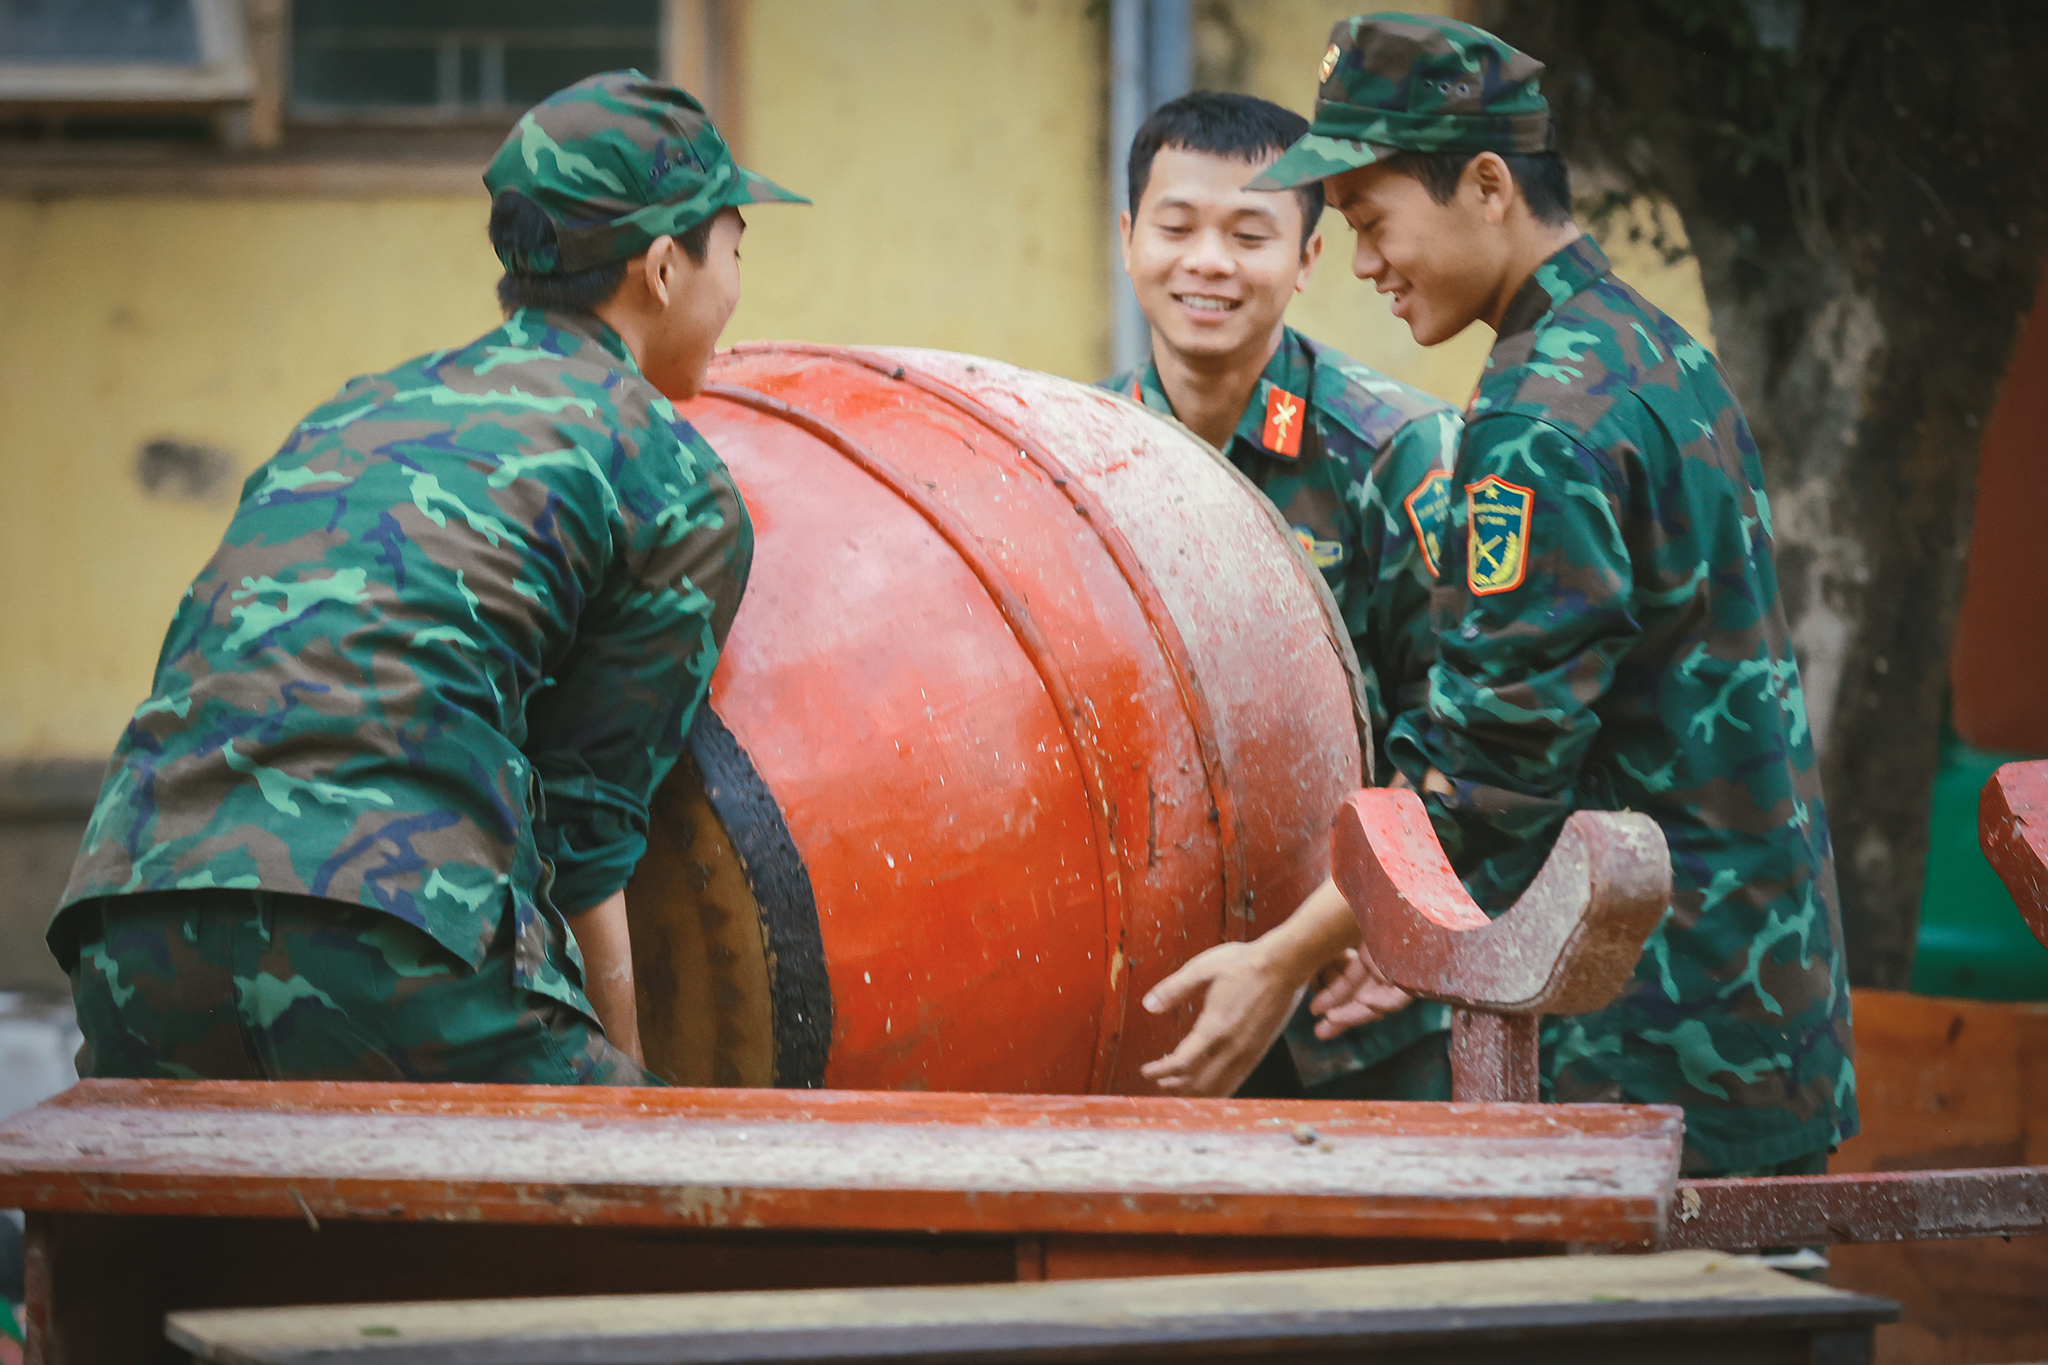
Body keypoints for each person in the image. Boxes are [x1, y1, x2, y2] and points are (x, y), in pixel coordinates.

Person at [48, 71, 808, 1086]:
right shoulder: (667, 473)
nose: (734, 291)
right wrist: (629, 1090)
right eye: (734, 254)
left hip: (130, 922)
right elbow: (587, 829)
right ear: (663, 268)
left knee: (204, 1247)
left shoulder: (354, 413)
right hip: (390, 932)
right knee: (639, 1225)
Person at [1231, 12, 1857, 1176]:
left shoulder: (1537, 418)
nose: (1362, 262)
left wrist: (1294, 950)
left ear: (1482, 185)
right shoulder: (1654, 351)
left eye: (1370, 220)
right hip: (1754, 1008)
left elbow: (1489, 774)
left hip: (1639, 1045)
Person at [1101, 91, 1462, 1101]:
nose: (1207, 261)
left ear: (1306, 260)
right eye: (1176, 227)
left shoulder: (1394, 456)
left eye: (1247, 233)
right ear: (1128, 240)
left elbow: (1462, 746)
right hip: (1142, 994)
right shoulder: (1074, 457)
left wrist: (1392, 918)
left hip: (1356, 1007)